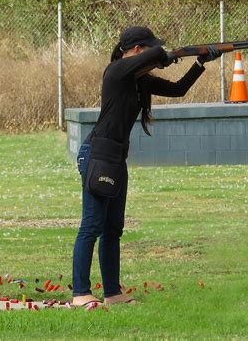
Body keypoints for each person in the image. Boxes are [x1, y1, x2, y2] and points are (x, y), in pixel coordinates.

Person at [72, 26, 221, 306]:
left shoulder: (139, 80)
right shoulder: (115, 72)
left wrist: (199, 62)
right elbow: (154, 54)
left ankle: (112, 293)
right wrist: (164, 55)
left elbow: (178, 90)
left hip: (115, 158)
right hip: (97, 154)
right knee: (91, 226)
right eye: (149, 50)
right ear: (138, 51)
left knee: (113, 229)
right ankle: (80, 292)